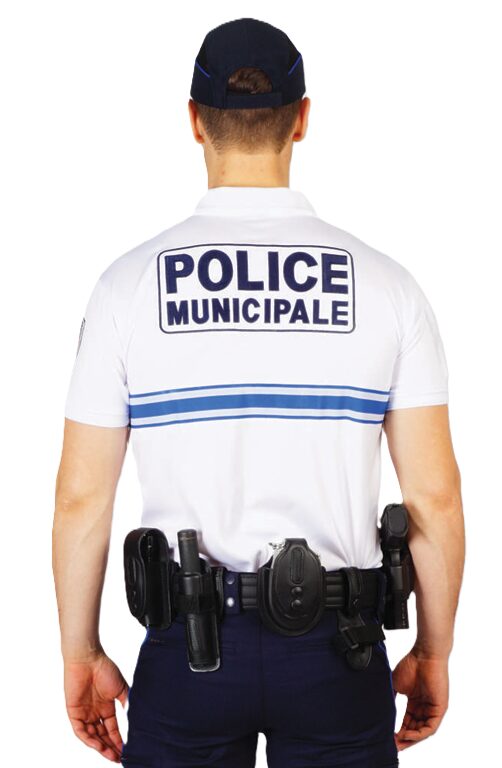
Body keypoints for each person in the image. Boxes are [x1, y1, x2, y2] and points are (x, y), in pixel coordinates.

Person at [52, 16, 465, 768]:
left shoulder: (126, 289)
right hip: (340, 654)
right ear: (302, 119)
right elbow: (434, 498)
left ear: (194, 121)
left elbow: (82, 499)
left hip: (189, 654)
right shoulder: (387, 287)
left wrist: (80, 651)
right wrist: (434, 651)